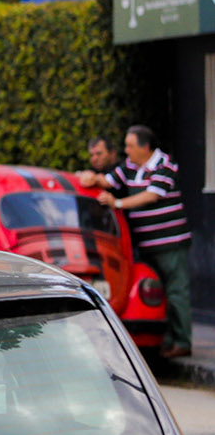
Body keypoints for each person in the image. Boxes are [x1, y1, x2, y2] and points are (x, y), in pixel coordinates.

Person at [77, 125, 193, 358]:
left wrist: (117, 204)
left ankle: (182, 341)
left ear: (145, 147)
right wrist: (90, 177)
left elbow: (152, 195)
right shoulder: (130, 167)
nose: (126, 151)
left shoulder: (164, 165)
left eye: (130, 146)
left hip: (170, 243)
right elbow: (108, 181)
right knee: (159, 293)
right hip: (147, 244)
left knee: (176, 290)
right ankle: (167, 340)